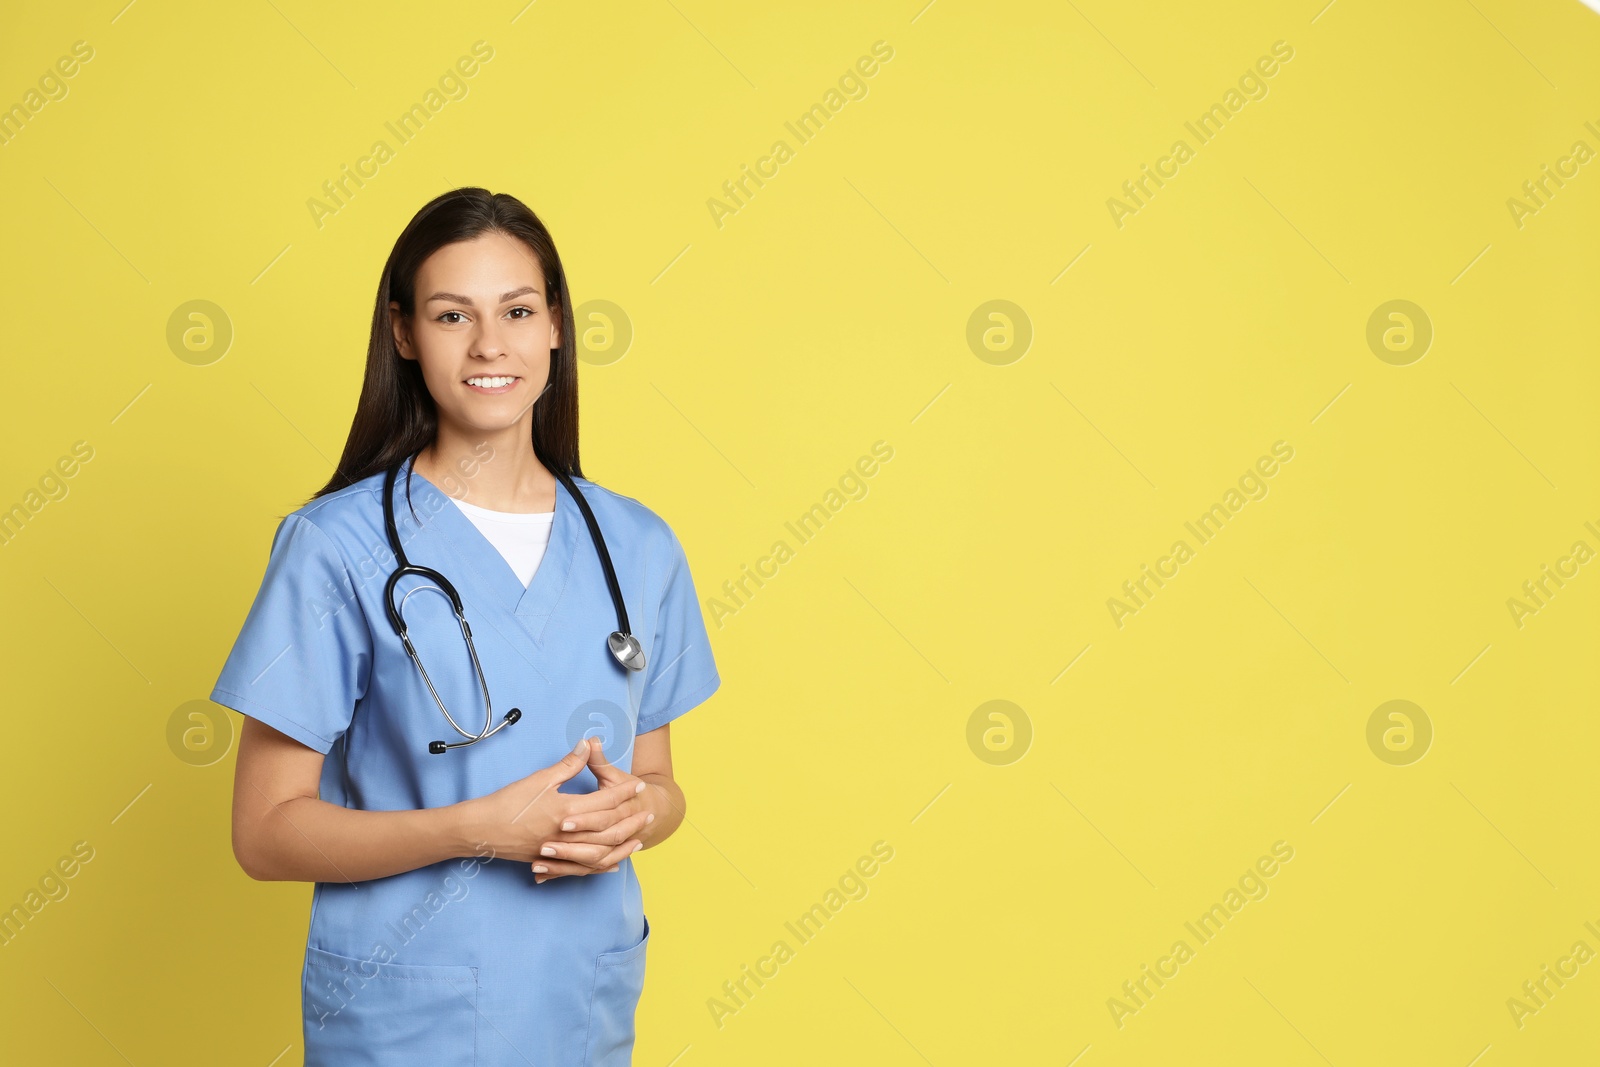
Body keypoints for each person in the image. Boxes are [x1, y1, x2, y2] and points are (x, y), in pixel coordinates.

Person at [210, 187, 721, 1065]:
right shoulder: (335, 546)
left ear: (557, 325)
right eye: (454, 315)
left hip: (579, 1002)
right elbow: (264, 833)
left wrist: (636, 814)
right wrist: (479, 826)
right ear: (405, 333)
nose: (491, 344)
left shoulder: (636, 545)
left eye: (518, 310)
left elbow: (662, 787)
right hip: (405, 1014)